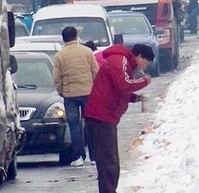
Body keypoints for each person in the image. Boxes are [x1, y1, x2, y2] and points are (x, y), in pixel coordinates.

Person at [84, 44, 154, 193]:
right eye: (146, 63)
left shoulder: (124, 62)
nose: (144, 68)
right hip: (101, 117)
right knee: (108, 163)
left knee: (111, 163)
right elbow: (123, 84)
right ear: (139, 56)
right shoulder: (119, 60)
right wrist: (144, 81)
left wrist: (135, 98)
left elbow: (117, 89)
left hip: (107, 118)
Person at [52, 26, 99, 167]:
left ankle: (79, 156)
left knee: (74, 126)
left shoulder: (60, 55)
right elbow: (95, 71)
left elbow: (56, 78)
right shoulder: (87, 51)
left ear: (63, 39)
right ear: (76, 36)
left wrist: (61, 91)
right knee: (90, 124)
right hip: (88, 92)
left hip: (70, 94)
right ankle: (93, 156)